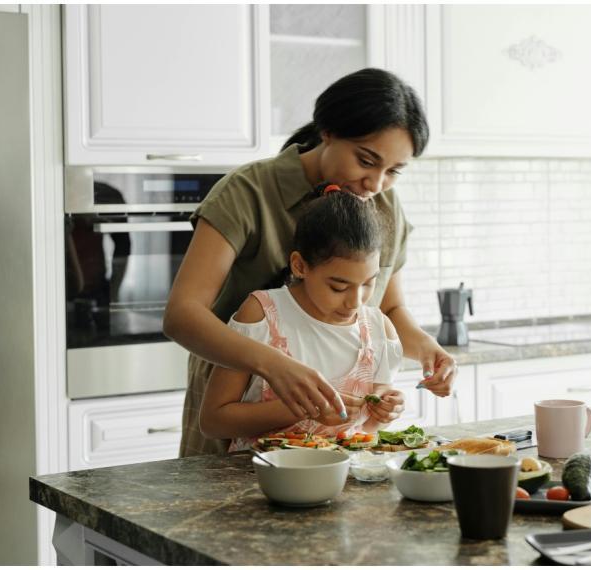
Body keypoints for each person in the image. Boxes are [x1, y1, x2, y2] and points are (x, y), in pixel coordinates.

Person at [164, 68, 458, 456]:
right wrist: (274, 365)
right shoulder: (248, 192)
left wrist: (427, 350)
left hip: (333, 442)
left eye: (393, 172)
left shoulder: (384, 205)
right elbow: (182, 315)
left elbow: (388, 307)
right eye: (366, 160)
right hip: (237, 407)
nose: (376, 183)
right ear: (328, 132)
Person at [199, 187, 404, 450]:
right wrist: (302, 409)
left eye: (368, 283)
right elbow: (214, 421)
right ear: (299, 266)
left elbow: (369, 428)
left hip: (344, 480)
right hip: (260, 480)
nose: (355, 301)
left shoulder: (378, 329)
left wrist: (385, 411)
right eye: (339, 287)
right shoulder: (262, 314)